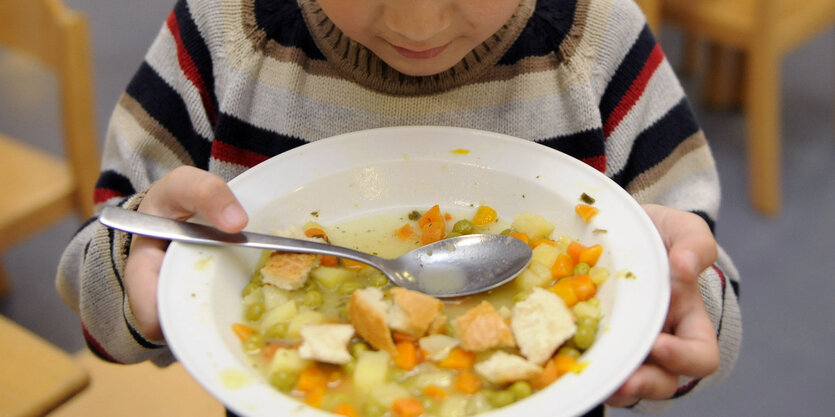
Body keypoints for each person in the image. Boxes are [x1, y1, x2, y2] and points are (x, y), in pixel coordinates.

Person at [57, 0, 741, 415]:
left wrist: (680, 301)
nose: (420, 20)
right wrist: (136, 281)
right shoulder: (225, 34)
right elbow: (98, 281)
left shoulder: (597, 44)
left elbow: (703, 299)